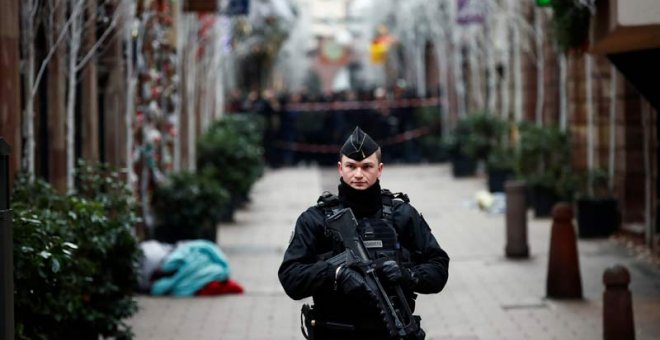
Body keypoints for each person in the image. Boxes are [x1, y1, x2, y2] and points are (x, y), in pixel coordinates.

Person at [278, 127, 450, 339]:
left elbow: (439, 268)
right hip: (334, 332)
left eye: (367, 166)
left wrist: (408, 275)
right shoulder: (316, 219)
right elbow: (290, 277)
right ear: (340, 169)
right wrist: (336, 274)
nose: (359, 174)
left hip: (392, 331)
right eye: (352, 166)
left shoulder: (402, 215)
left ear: (379, 169)